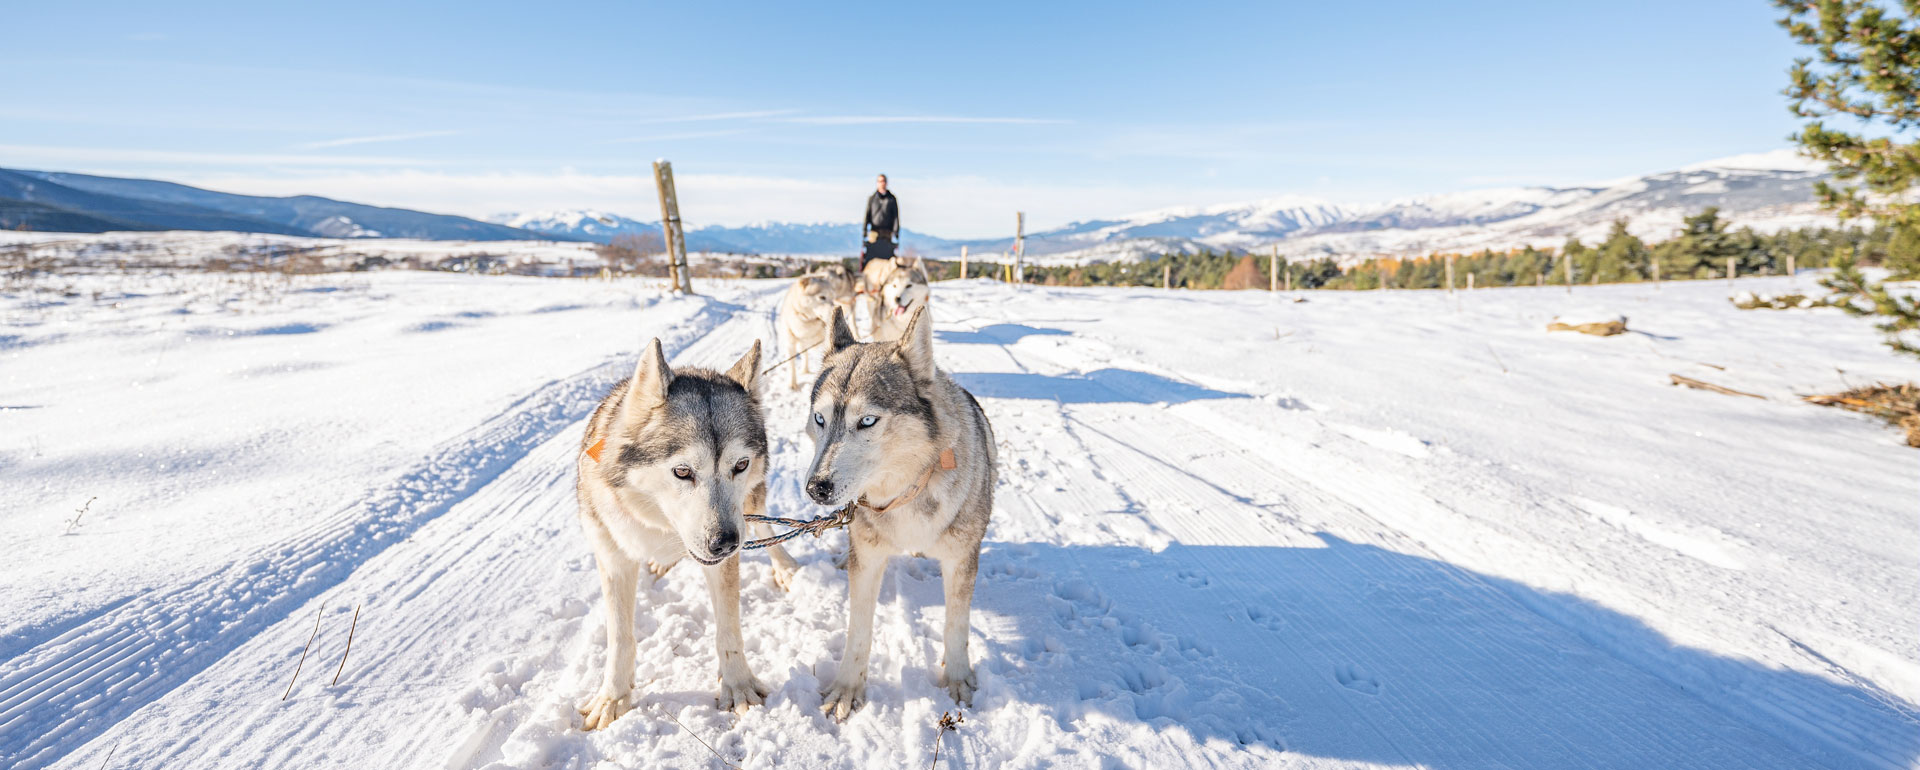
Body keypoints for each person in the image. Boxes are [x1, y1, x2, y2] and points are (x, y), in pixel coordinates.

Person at [861, 174, 899, 270]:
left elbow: (895, 217)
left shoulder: (892, 199)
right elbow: (867, 215)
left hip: (887, 232)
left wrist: (896, 232)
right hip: (874, 232)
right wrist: (865, 231)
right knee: (871, 256)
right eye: (879, 181)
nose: (881, 183)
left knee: (887, 258)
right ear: (877, 183)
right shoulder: (872, 199)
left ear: (886, 183)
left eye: (883, 181)